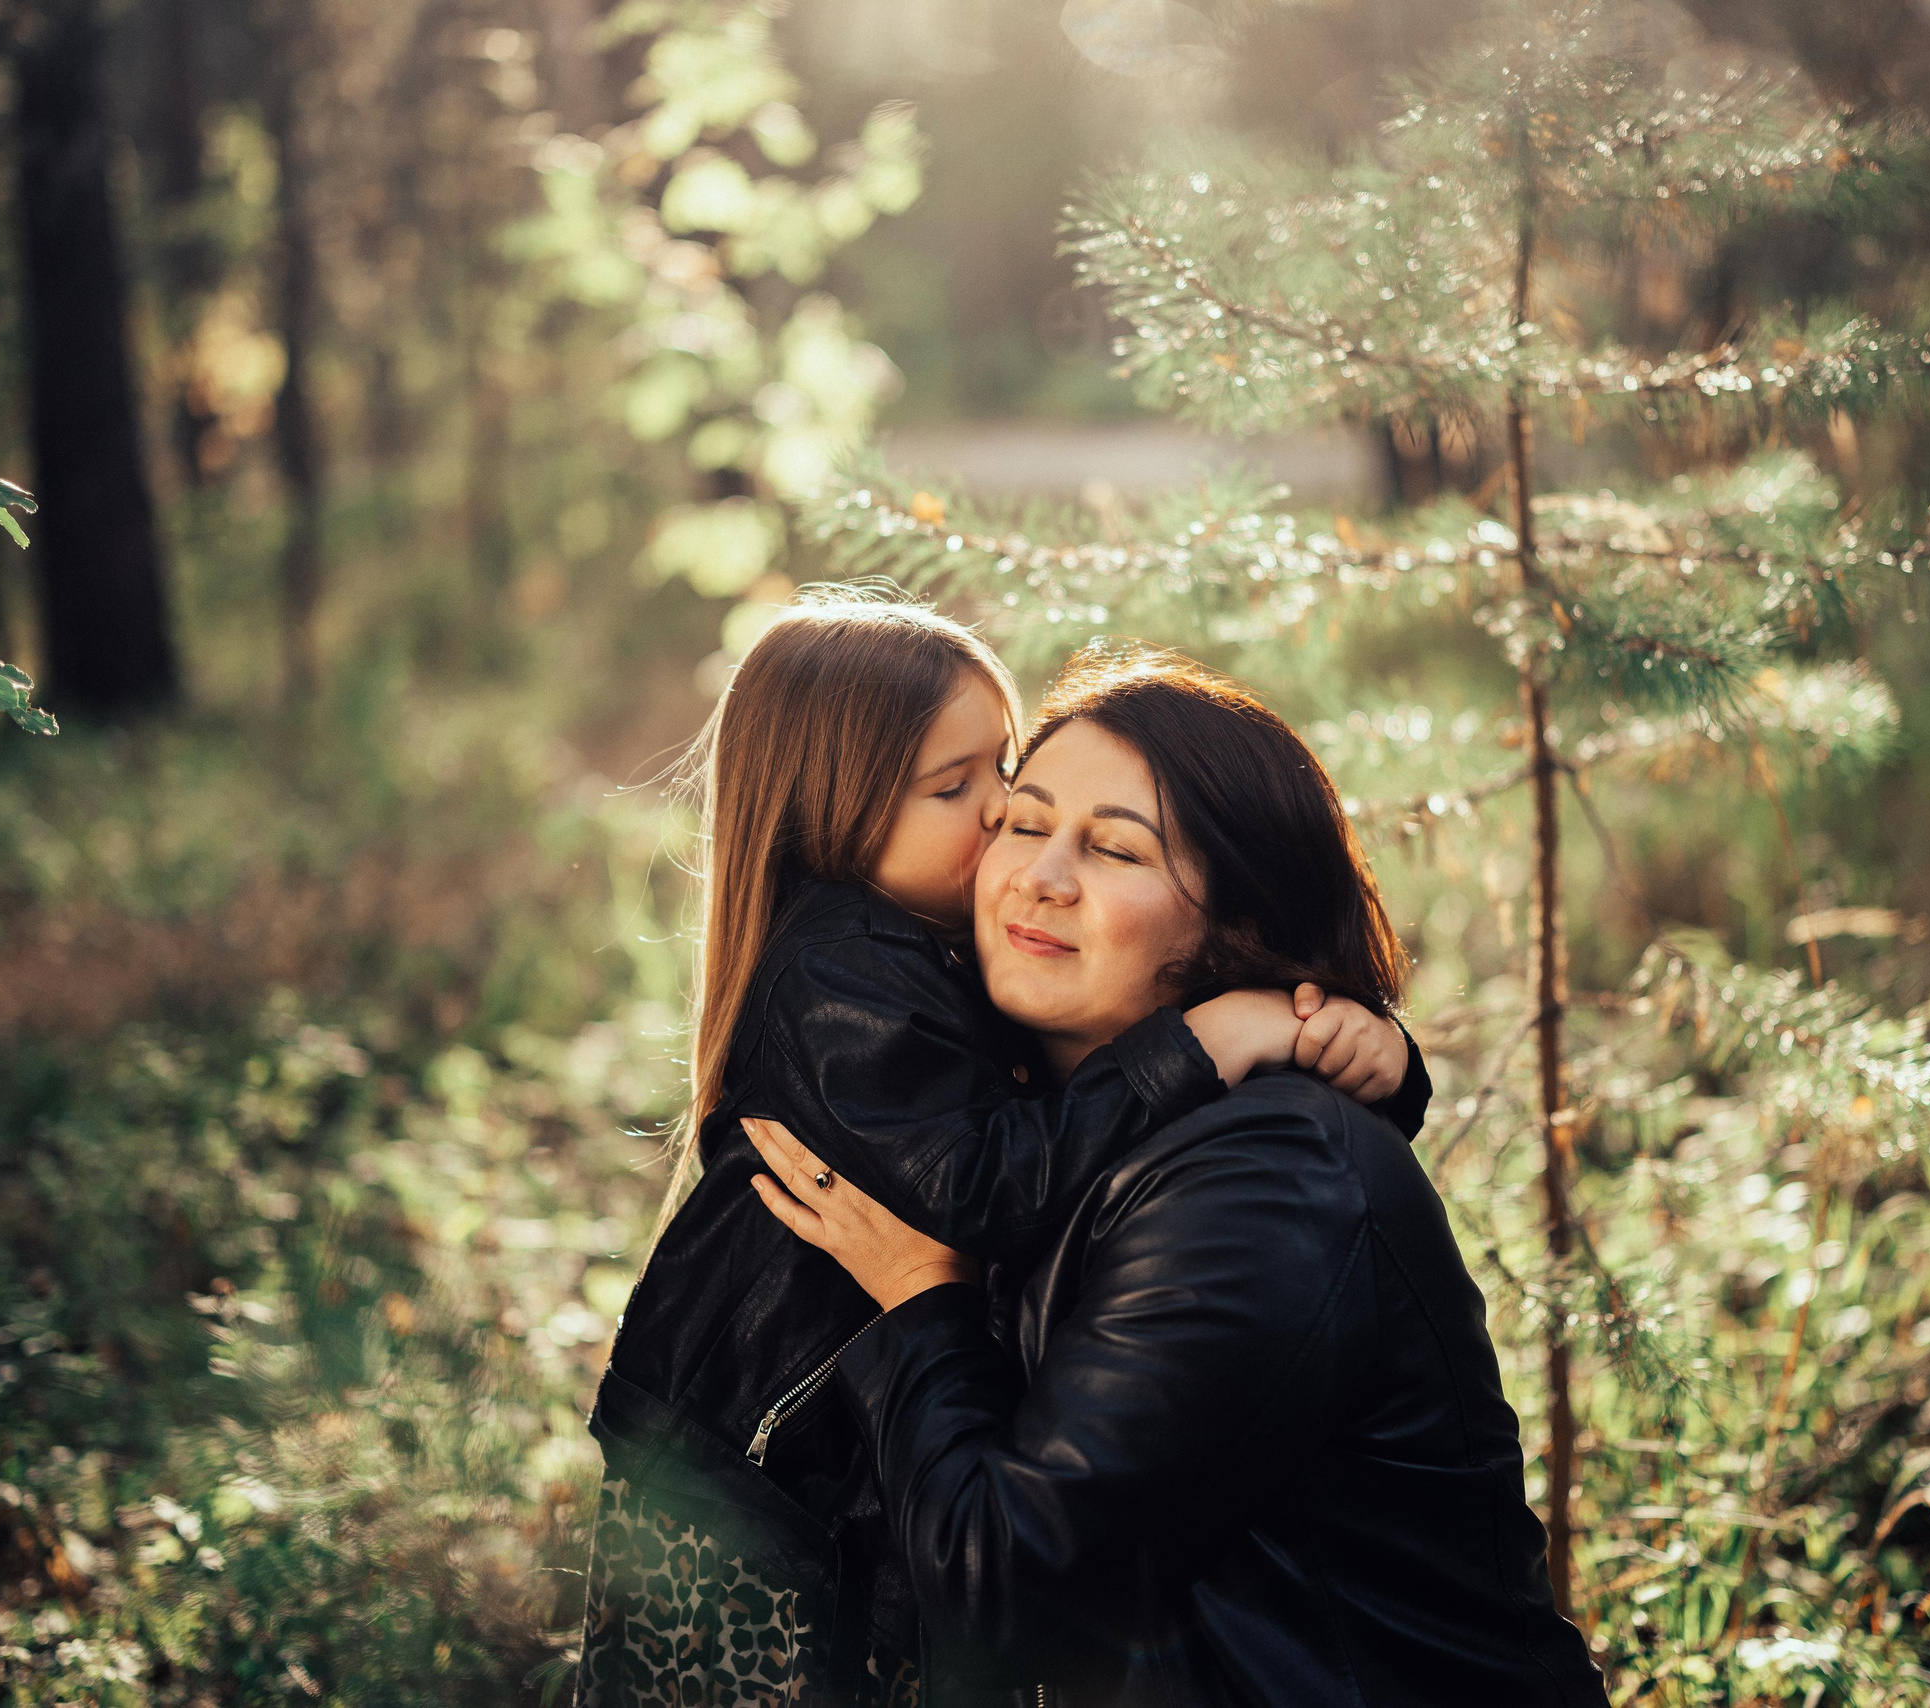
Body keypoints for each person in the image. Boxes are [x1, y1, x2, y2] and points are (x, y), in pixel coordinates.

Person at [575, 597, 1426, 1708]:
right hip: (744, 1491)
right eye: (962, 793)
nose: (1003, 827)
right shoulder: (842, 976)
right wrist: (1209, 1038)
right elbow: (990, 1182)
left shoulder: (1249, 1158)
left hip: (846, 1494)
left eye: (1006, 776)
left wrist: (1362, 1047)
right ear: (835, 810)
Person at [749, 646, 1611, 1707]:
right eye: (1023, 823)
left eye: (1115, 849)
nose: (1041, 876)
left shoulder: (1267, 1181)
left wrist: (925, 1300)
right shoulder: (999, 1118)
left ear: (1237, 921)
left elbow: (1009, 1593)